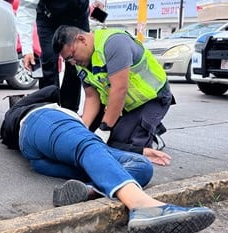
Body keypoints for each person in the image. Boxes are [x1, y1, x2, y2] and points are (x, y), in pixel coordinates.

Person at [0, 86, 215, 233]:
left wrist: (139, 150)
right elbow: (54, 90)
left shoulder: (13, 129)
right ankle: (142, 206)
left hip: (42, 157)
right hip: (46, 122)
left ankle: (90, 190)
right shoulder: (36, 109)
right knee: (87, 147)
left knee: (140, 165)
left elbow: (97, 149)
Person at [17, 0, 107, 110]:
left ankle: (69, 112)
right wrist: (27, 48)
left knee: (77, 63)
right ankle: (49, 111)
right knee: (49, 64)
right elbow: (26, 11)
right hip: (49, 21)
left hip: (78, 17)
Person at [52, 25, 174, 155]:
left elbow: (119, 89)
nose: (72, 62)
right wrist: (84, 127)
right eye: (67, 60)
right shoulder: (80, 63)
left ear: (82, 39)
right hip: (123, 105)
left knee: (121, 143)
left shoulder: (114, 43)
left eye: (72, 56)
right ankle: (136, 124)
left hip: (152, 98)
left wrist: (105, 128)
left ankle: (150, 135)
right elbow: (91, 97)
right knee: (89, 138)